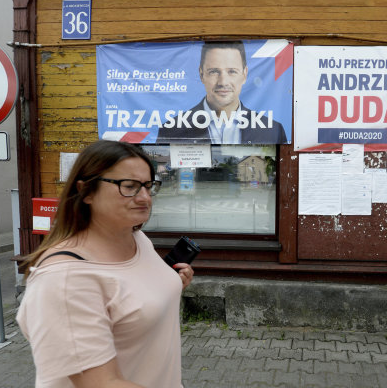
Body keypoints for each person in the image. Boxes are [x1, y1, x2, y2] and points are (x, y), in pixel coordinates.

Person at [16, 140, 194, 387]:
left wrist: (168, 286)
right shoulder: (65, 279)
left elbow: (130, 299)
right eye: (129, 186)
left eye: (148, 185)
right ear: (86, 191)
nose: (144, 197)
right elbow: (102, 383)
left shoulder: (136, 238)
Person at [157, 41, 287, 144]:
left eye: (232, 71)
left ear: (245, 74)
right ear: (201, 74)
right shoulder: (171, 129)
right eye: (214, 71)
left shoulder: (273, 130)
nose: (223, 82)